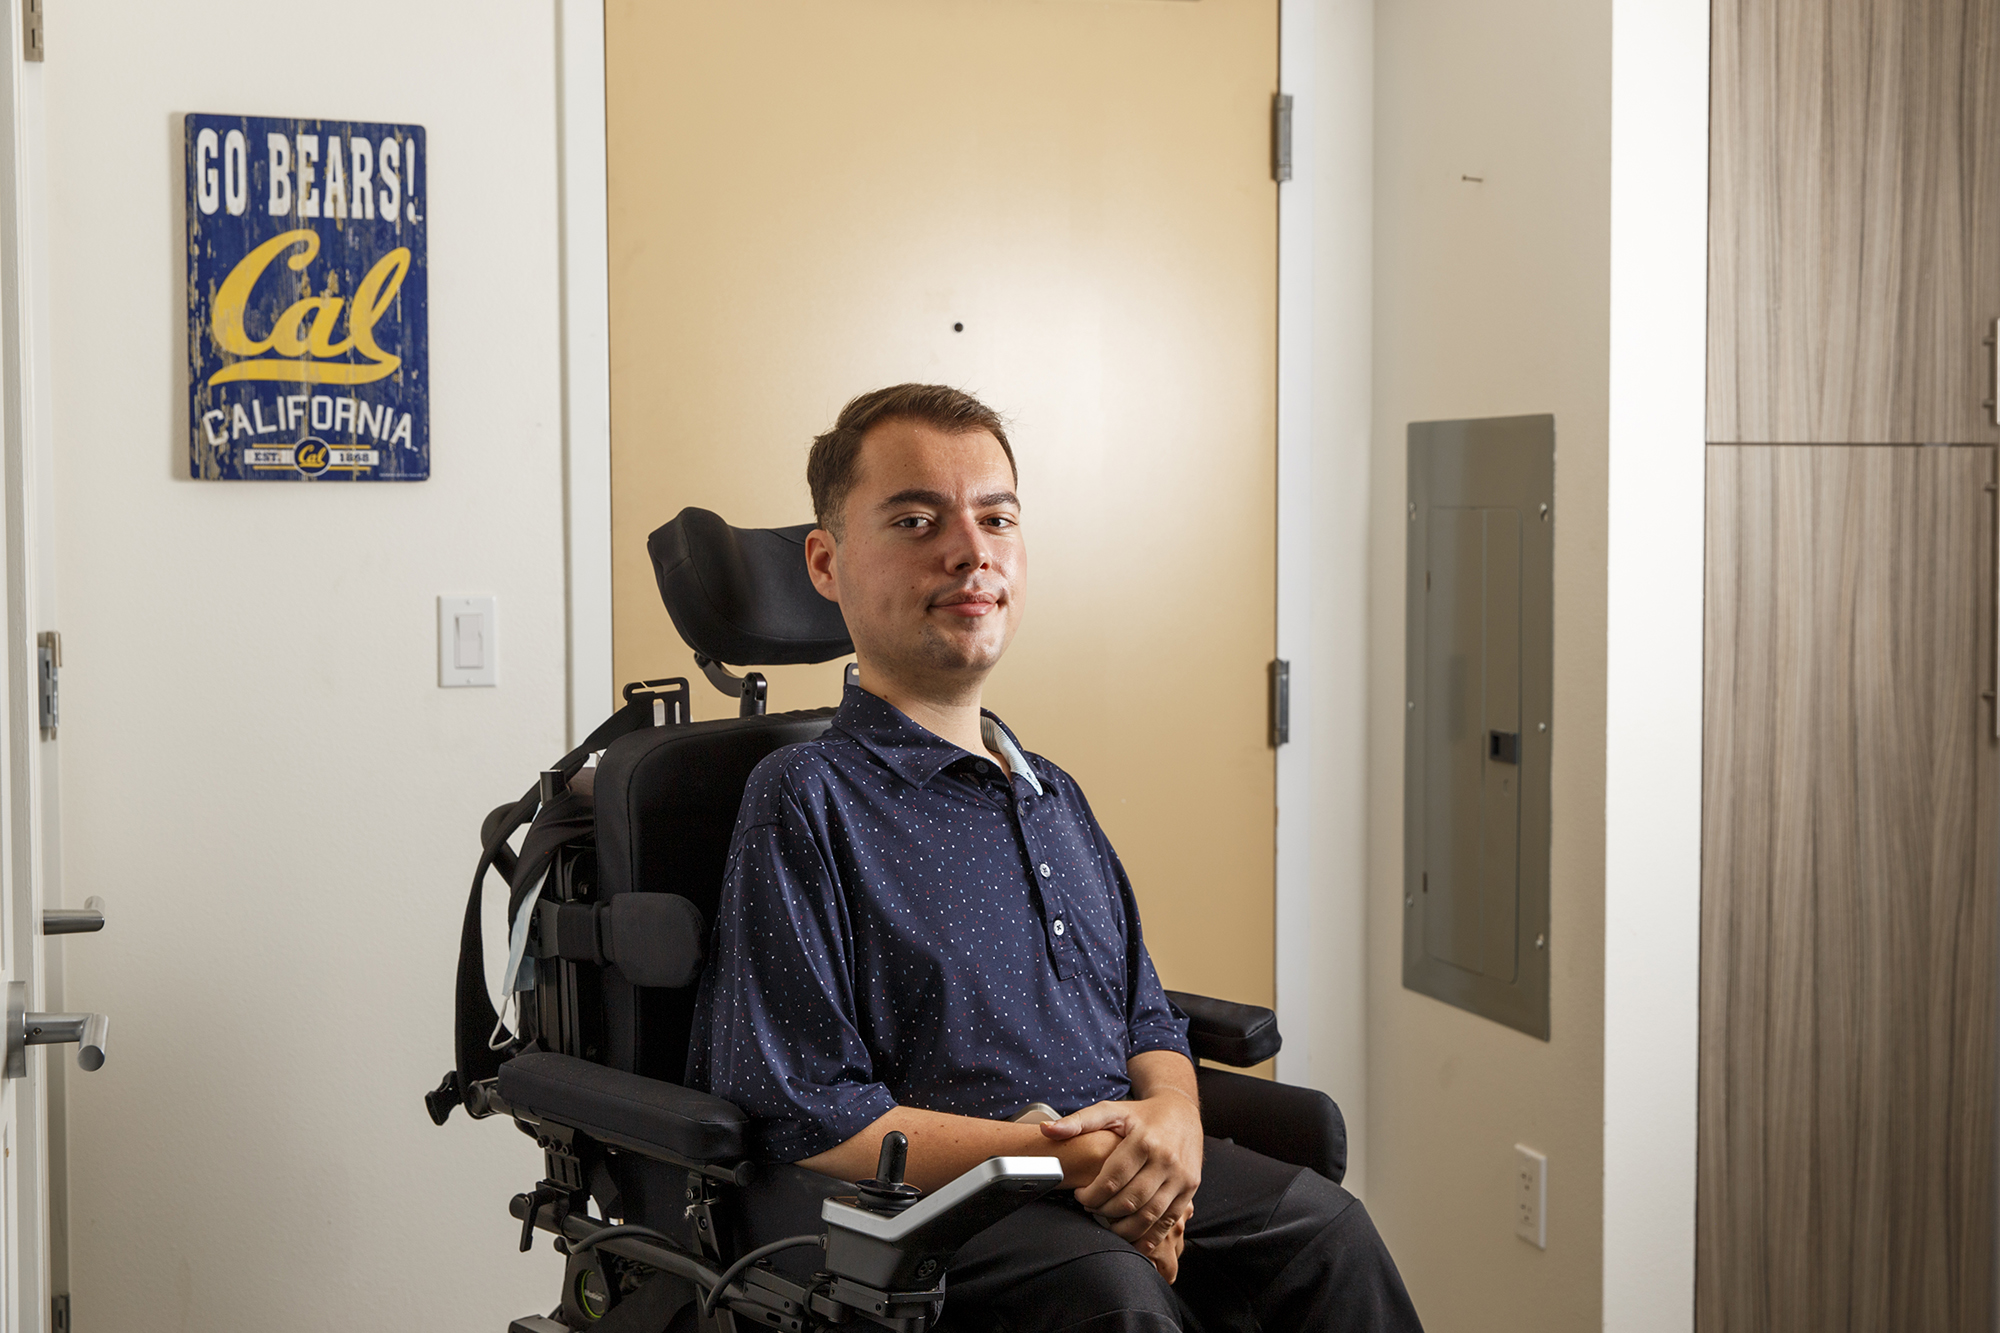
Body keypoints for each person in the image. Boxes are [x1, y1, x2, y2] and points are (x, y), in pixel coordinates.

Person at [686, 384, 1422, 1333]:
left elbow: (1148, 1016)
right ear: (825, 563)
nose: (970, 549)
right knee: (1111, 1295)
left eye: (996, 517)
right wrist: (1065, 1157)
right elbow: (811, 1111)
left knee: (1330, 1236)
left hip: (1103, 1159)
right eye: (917, 519)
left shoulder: (1051, 792)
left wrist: (1173, 1131)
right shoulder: (808, 797)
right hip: (940, 1203)